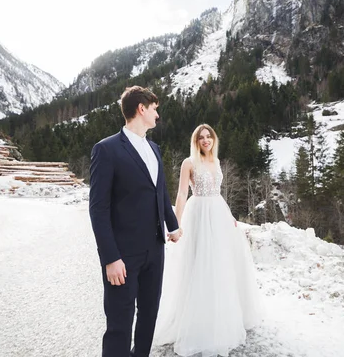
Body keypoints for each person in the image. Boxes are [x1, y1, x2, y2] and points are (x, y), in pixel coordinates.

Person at [89, 85, 182, 357]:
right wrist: (110, 258)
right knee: (120, 323)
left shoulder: (154, 149)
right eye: (155, 109)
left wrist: (172, 225)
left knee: (149, 316)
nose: (157, 114)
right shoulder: (106, 149)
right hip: (123, 254)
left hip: (155, 249)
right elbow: (98, 208)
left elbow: (160, 191)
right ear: (141, 108)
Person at [154, 124, 261, 357]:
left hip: (218, 214)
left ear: (213, 139)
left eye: (208, 136)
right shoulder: (188, 163)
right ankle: (199, 321)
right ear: (195, 141)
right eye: (201, 137)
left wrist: (229, 216)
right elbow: (182, 194)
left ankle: (222, 316)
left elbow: (218, 193)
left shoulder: (217, 161)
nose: (205, 140)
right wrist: (176, 224)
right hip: (198, 214)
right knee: (199, 265)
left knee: (222, 265)